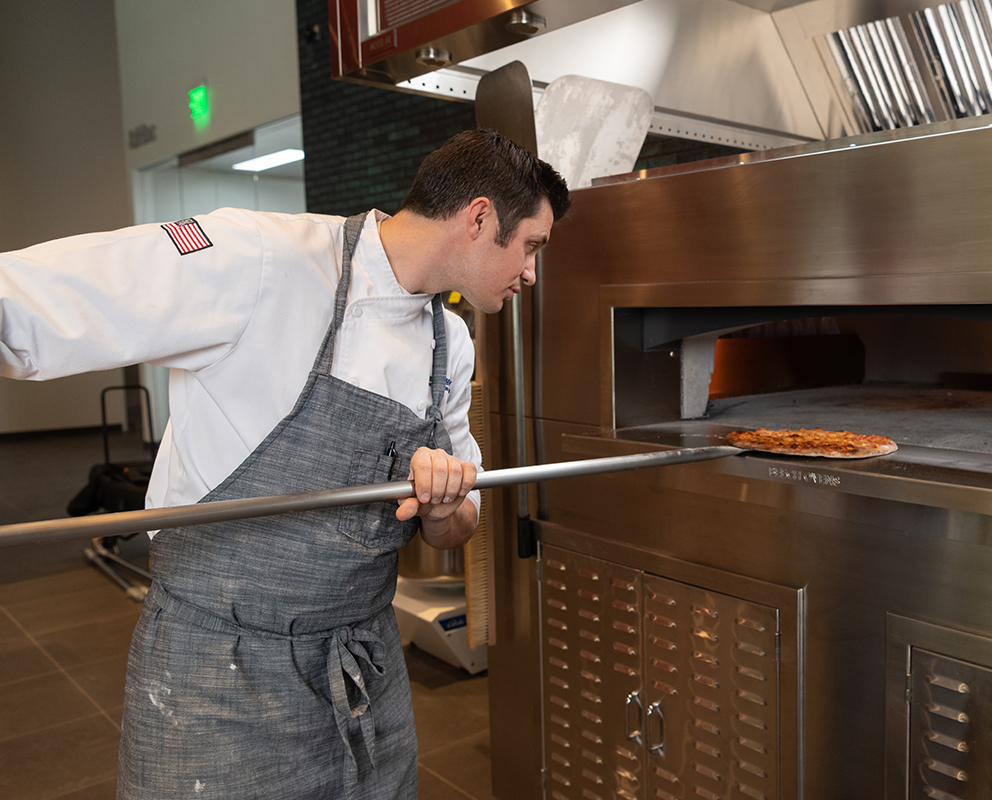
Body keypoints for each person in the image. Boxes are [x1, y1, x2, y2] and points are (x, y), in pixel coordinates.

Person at [0, 128, 570, 798]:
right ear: (478, 218)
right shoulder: (261, 260)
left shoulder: (450, 344)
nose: (532, 272)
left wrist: (446, 505)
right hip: (220, 671)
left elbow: (457, 526)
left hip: (365, 667)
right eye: (531, 246)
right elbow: (33, 299)